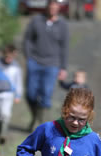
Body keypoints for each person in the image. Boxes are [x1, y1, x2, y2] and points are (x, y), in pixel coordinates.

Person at [23, 0, 69, 131]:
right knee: (30, 94)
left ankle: (40, 125)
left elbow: (64, 47)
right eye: (51, 5)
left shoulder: (63, 25)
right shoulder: (36, 21)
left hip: (52, 64)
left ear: (58, 7)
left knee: (46, 95)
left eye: (55, 6)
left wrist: (63, 67)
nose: (53, 8)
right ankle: (34, 117)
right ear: (47, 6)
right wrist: (29, 56)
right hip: (35, 62)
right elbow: (27, 39)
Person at [0, 44, 23, 144]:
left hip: (8, 94)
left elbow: (18, 82)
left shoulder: (16, 67)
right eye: (7, 57)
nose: (8, 59)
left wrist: (18, 94)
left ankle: (3, 133)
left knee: (5, 114)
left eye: (11, 57)